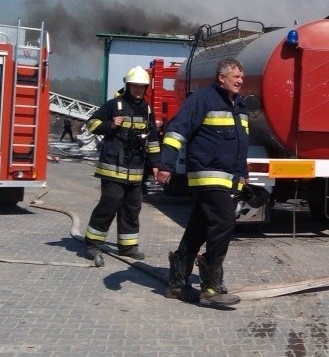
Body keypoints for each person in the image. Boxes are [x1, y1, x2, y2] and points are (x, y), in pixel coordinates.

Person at [154, 58, 248, 307]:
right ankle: (210, 286)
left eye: (241, 77)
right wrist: (165, 165)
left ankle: (176, 282)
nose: (240, 81)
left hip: (226, 178)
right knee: (224, 220)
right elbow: (177, 130)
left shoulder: (240, 106)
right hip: (206, 174)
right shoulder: (202, 99)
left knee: (199, 226)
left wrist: (241, 176)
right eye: (235, 76)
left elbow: (240, 146)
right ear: (221, 77)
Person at [83, 66, 160, 266]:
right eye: (135, 86)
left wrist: (156, 164)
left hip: (136, 170)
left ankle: (128, 246)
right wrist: (110, 125)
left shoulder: (147, 109)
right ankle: (93, 243)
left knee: (132, 208)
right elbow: (90, 124)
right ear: (128, 85)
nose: (139, 90)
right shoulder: (113, 105)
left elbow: (152, 139)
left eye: (142, 87)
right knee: (110, 204)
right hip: (112, 167)